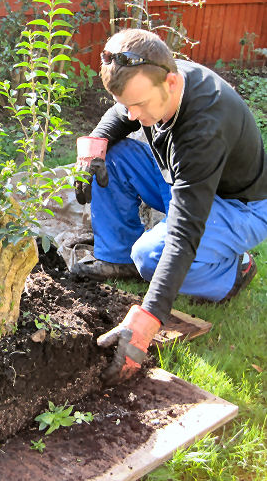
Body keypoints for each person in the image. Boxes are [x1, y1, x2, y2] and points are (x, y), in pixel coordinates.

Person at [73, 29, 267, 383]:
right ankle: (117, 259)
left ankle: (233, 271)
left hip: (240, 207)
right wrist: (95, 145)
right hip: (184, 180)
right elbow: (120, 114)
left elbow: (184, 230)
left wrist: (148, 319)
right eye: (128, 104)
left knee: (151, 256)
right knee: (112, 158)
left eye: (140, 105)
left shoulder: (205, 127)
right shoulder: (157, 76)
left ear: (173, 83)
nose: (132, 115)